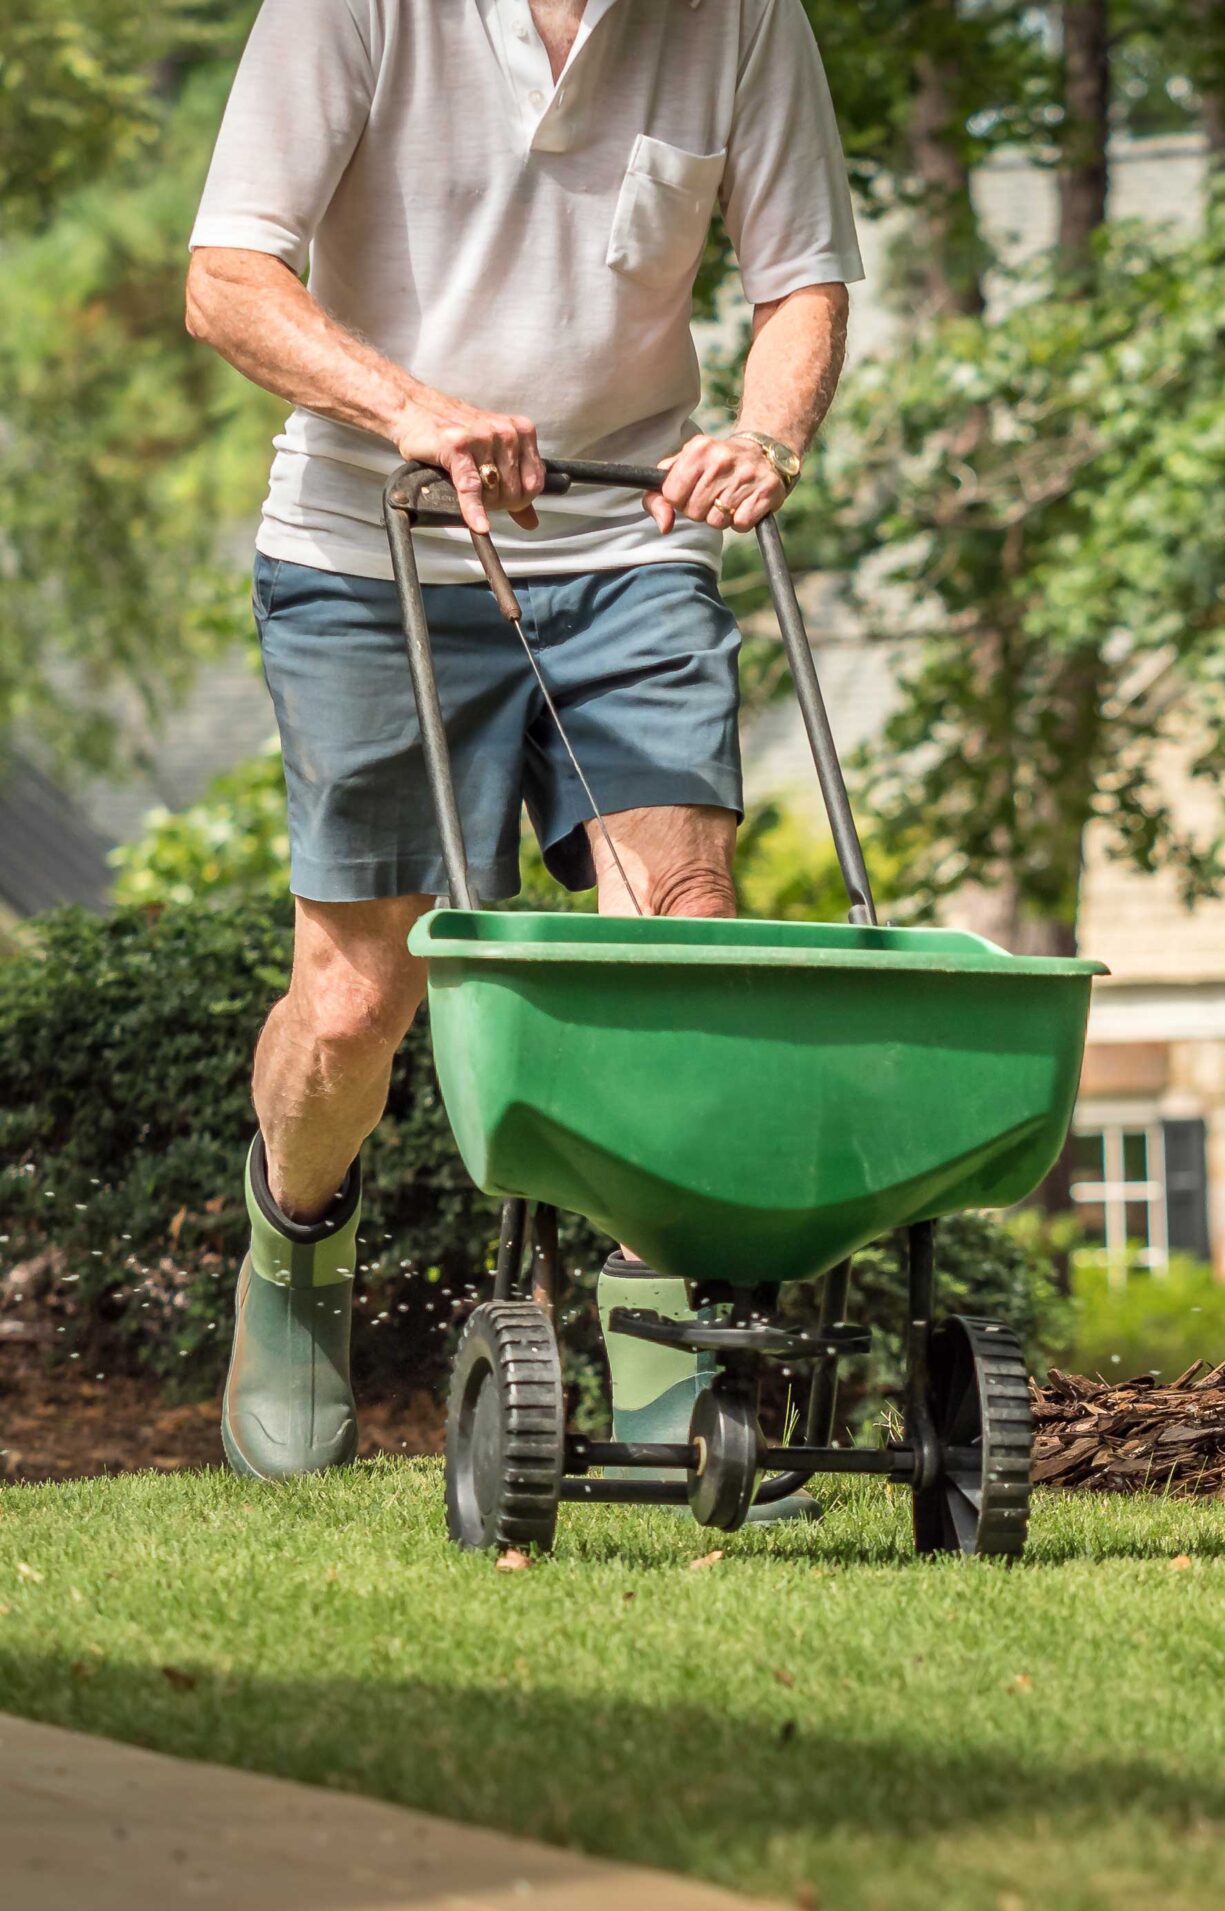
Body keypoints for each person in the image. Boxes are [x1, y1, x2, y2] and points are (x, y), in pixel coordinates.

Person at [184, 0, 862, 1491]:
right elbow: (229, 281)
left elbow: (801, 278)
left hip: (632, 540)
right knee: (360, 996)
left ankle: (665, 1338)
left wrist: (765, 434)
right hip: (374, 546)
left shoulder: (741, 18)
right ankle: (297, 1243)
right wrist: (415, 408)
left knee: (678, 940)